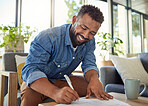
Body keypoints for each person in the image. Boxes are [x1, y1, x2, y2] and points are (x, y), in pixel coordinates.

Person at [21, 4, 113, 106]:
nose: (86, 35)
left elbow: (89, 65)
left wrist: (94, 79)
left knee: (94, 88)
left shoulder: (90, 42)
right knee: (30, 94)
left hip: (63, 80)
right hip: (40, 82)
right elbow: (31, 70)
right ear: (74, 20)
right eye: (83, 28)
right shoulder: (48, 37)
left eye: (92, 33)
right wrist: (55, 92)